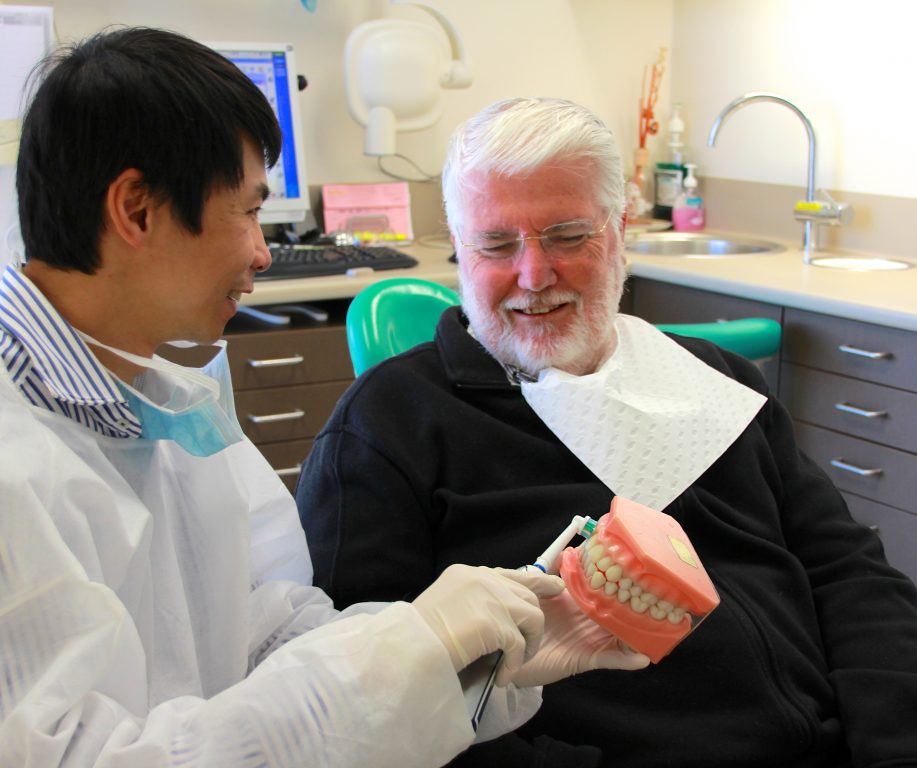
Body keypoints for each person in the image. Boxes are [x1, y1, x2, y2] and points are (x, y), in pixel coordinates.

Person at [0, 32, 649, 768]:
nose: (262, 252)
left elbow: (277, 633)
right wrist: (416, 646)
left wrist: (477, 663)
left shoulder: (168, 414)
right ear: (137, 210)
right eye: (246, 212)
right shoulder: (16, 462)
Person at [296, 97, 917, 767]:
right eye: (496, 244)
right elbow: (362, 696)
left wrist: (915, 742)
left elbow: (848, 571)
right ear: (458, 249)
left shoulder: (715, 380)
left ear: (621, 232)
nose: (534, 274)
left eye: (569, 236)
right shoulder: (386, 428)